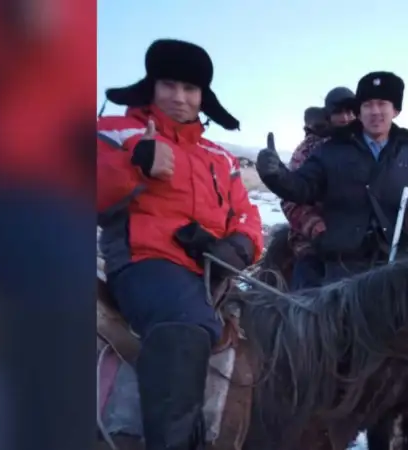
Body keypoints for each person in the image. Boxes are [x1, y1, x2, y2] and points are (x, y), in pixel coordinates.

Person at [96, 39, 264, 450]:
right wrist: (135, 167)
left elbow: (246, 214)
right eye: (168, 84)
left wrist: (240, 247)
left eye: (190, 89)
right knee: (187, 322)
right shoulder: (117, 132)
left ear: (203, 96)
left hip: (208, 272)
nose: (179, 97)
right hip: (144, 262)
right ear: (150, 87)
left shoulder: (220, 157)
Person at [257, 72, 408, 283]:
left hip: (396, 261)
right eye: (368, 104)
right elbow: (301, 187)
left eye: (382, 103)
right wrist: (276, 175)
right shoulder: (331, 150)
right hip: (343, 264)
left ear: (395, 110)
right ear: (360, 111)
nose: (375, 111)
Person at [282, 87, 358, 289]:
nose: (346, 118)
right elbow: (290, 199)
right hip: (315, 241)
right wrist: (316, 228)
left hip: (356, 239)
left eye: (350, 112)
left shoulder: (365, 145)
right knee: (307, 295)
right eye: (339, 113)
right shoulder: (309, 150)